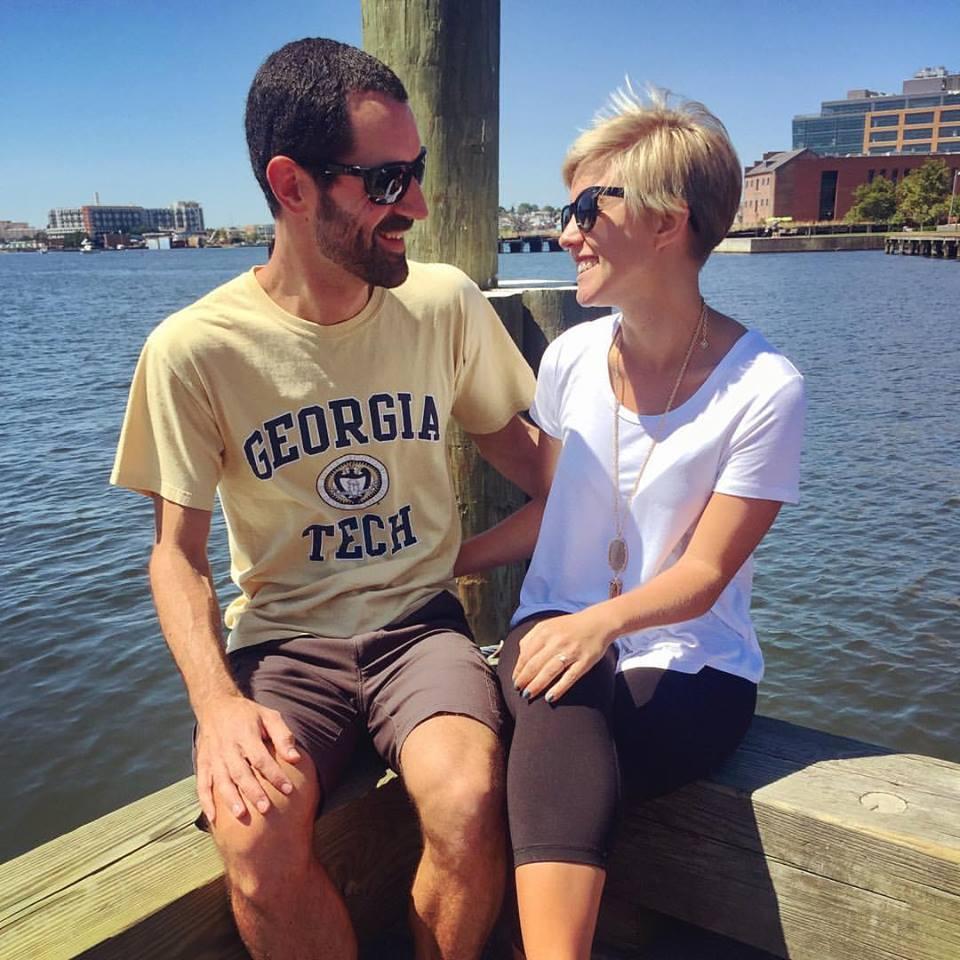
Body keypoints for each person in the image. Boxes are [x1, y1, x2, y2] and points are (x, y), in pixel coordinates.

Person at [110, 37, 539, 960]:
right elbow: (173, 557)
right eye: (386, 181)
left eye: (417, 173)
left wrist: (681, 495)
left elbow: (541, 463)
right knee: (255, 838)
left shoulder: (444, 305)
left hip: (419, 628)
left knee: (469, 799)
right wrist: (220, 709)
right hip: (281, 644)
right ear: (292, 184)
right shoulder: (194, 350)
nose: (418, 206)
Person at [457, 85, 806, 960]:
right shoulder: (572, 355)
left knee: (548, 715)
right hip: (555, 643)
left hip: (694, 666)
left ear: (666, 223)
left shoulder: (765, 388)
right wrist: (449, 558)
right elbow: (562, 502)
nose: (565, 231)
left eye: (586, 207)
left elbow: (703, 578)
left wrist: (600, 623)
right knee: (557, 691)